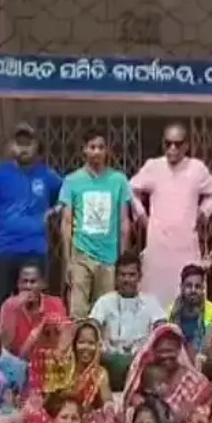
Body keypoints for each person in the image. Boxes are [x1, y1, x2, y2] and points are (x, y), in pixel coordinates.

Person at [129, 122, 212, 309]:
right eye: (168, 143)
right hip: (158, 245)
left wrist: (204, 212)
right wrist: (140, 214)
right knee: (154, 295)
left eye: (178, 144)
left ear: (186, 146)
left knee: (187, 293)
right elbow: (130, 189)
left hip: (185, 244)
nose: (172, 148)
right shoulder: (154, 167)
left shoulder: (196, 169)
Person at [0, 122, 63, 309]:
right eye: (19, 143)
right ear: (11, 146)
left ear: (36, 145)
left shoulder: (47, 176)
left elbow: (67, 196)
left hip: (35, 252)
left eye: (28, 143)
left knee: (33, 308)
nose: (23, 148)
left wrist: (54, 211)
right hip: (2, 252)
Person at [60, 127, 133, 319]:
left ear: (107, 150)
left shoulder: (119, 180)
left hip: (109, 259)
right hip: (81, 255)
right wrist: (68, 261)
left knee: (106, 313)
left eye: (101, 147)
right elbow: (67, 222)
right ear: (84, 149)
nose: (97, 152)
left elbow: (124, 222)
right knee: (78, 312)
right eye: (92, 147)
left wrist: (122, 260)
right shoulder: (72, 181)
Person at [21, 318, 120, 423]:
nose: (87, 348)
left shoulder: (99, 373)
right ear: (74, 344)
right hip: (53, 420)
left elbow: (107, 400)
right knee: (33, 414)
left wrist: (109, 415)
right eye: (82, 342)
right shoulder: (60, 364)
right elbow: (30, 357)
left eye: (91, 343)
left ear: (98, 346)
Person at [91, 251, 166, 390]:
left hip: (141, 362)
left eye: (132, 275)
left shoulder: (151, 302)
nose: (127, 279)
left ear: (139, 277)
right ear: (116, 277)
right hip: (110, 361)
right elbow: (91, 328)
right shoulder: (104, 301)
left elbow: (163, 330)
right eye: (122, 275)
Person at [122, 324, 212, 423]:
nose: (166, 356)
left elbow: (207, 406)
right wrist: (139, 402)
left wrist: (190, 413)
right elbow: (132, 396)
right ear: (154, 351)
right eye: (161, 351)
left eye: (170, 350)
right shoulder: (147, 373)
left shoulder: (193, 378)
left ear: (178, 350)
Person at [0, 262, 68, 358]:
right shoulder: (9, 305)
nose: (28, 287)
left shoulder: (55, 303)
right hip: (18, 362)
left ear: (43, 284)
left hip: (48, 360)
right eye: (24, 282)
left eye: (33, 282)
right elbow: (4, 345)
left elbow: (65, 337)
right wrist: (14, 308)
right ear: (18, 284)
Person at [168, 264, 212, 357]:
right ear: (181, 287)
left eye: (197, 286)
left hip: (203, 360)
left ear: (203, 288)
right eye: (189, 286)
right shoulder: (171, 311)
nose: (193, 290)